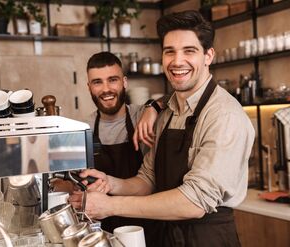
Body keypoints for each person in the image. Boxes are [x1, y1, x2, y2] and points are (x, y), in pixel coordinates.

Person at [70, 10, 255, 247]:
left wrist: (109, 205)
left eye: (189, 51)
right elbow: (148, 178)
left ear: (208, 55)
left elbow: (195, 202)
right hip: (167, 237)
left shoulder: (224, 115)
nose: (177, 61)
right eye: (170, 52)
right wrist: (110, 183)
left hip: (207, 239)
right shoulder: (166, 111)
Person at [53, 51, 161, 238]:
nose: (106, 89)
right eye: (97, 82)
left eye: (112, 80)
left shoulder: (142, 117)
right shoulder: (81, 129)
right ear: (89, 87)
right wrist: (78, 186)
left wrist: (154, 106)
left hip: (146, 224)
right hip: (103, 229)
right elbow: (60, 182)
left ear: (124, 82)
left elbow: (173, 99)